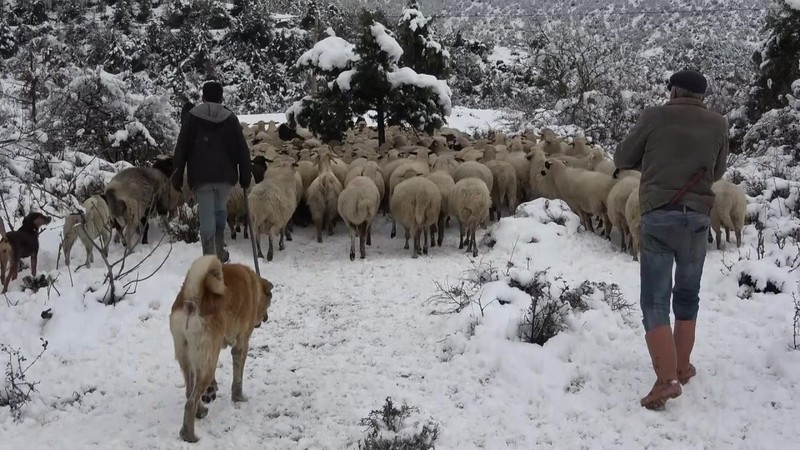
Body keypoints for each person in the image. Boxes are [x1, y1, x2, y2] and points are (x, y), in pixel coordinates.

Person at [614, 69, 729, 410]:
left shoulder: (654, 116)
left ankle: (666, 380)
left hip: (658, 216)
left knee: (654, 300)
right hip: (696, 218)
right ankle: (682, 364)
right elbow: (718, 172)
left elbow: (622, 158)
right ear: (701, 96)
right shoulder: (718, 123)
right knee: (688, 292)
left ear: (674, 91)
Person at [172, 81, 251, 263]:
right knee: (220, 210)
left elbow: (181, 148)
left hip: (202, 176)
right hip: (225, 176)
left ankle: (209, 255)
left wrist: (177, 176)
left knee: (207, 214)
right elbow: (242, 148)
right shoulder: (230, 118)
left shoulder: (192, 117)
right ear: (221, 97)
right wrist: (245, 175)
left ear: (203, 97)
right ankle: (219, 247)